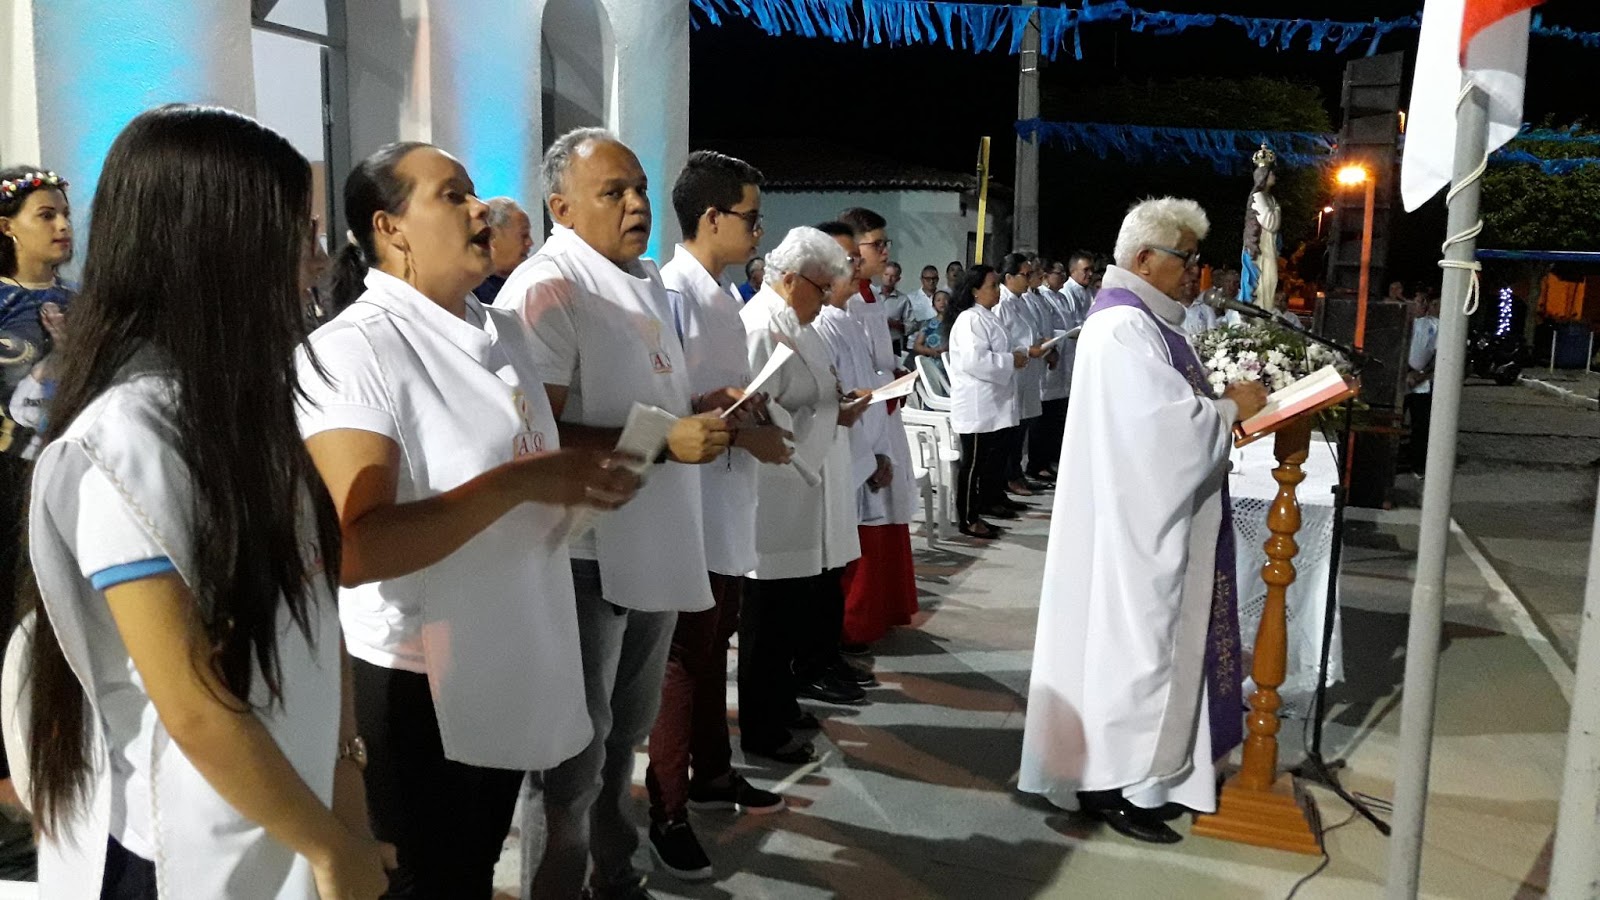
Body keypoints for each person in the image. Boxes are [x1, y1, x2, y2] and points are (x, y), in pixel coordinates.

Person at [15, 104, 393, 899]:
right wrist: (330, 845)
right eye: (295, 234)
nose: (315, 260)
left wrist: (344, 780)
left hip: (287, 821)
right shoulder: (129, 437)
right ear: (219, 246)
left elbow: (312, 610)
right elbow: (189, 702)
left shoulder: (243, 410)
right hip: (184, 857)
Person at [303, 140, 639, 898]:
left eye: (474, 191)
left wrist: (572, 488)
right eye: (451, 195)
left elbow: (520, 476)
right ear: (389, 227)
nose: (480, 209)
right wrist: (520, 484)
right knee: (429, 880)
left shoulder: (503, 331)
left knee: (475, 865)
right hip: (420, 679)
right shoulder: (356, 350)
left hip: (515, 644)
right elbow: (356, 546)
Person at [498, 127, 734, 900]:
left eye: (640, 188)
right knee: (573, 753)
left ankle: (617, 875)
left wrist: (699, 406)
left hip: (650, 537)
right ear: (561, 208)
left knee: (624, 733)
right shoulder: (548, 288)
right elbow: (532, 434)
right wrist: (666, 437)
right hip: (581, 550)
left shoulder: (640, 280)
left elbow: (644, 397)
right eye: (614, 192)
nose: (638, 204)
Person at [1019, 197, 1268, 844]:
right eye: (1187, 258)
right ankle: (1115, 785)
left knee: (1140, 652)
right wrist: (1229, 410)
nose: (1194, 272)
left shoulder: (1144, 321)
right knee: (1134, 653)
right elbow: (1162, 435)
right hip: (1131, 532)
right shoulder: (1122, 327)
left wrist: (1221, 408)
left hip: (1139, 520)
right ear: (1145, 259)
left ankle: (1140, 779)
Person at [650, 150, 792, 882]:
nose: (758, 231)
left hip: (726, 496)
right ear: (711, 218)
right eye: (751, 218)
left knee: (712, 651)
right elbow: (660, 409)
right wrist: (736, 426)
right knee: (682, 660)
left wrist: (746, 408)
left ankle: (710, 774)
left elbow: (712, 394)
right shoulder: (670, 294)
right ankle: (666, 807)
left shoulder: (723, 292)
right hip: (688, 504)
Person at [738, 226, 867, 765]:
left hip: (801, 481)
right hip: (771, 488)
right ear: (790, 280)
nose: (827, 297)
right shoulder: (760, 325)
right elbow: (752, 409)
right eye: (821, 286)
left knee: (791, 608)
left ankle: (783, 702)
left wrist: (839, 404)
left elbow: (814, 391)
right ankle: (761, 727)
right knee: (766, 615)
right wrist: (825, 409)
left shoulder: (799, 324)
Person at [0, 165, 74, 766]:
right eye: (46, 215)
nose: (62, 226)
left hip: (71, 475)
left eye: (64, 214)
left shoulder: (83, 303)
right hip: (8, 482)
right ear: (8, 228)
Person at [836, 208, 921, 659]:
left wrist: (894, 375)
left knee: (888, 512)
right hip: (864, 418)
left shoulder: (869, 296)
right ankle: (855, 621)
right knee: (864, 520)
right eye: (877, 245)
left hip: (882, 415)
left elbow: (875, 360)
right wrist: (884, 383)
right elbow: (853, 373)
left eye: (886, 244)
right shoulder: (846, 303)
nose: (885, 253)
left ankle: (882, 609)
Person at [944, 266, 1025, 540]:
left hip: (991, 401)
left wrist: (1015, 356)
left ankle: (984, 506)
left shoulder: (987, 316)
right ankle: (967, 519)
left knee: (986, 462)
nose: (997, 290)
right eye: (992, 285)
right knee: (973, 464)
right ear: (975, 291)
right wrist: (1011, 360)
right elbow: (975, 361)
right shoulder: (970, 320)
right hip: (977, 404)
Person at [994, 253, 1049, 503]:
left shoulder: (1022, 300)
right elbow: (1001, 342)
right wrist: (1028, 350)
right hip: (1013, 372)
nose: (1028, 279)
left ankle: (1017, 473)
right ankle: (1009, 476)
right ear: (1009, 277)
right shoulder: (1001, 304)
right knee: (1012, 429)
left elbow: (1028, 331)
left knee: (1023, 424)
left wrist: (1041, 343)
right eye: (1025, 275)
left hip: (1028, 370)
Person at [1033, 260, 1083, 481]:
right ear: (1046, 275)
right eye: (1058, 273)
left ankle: (1051, 458)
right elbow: (1045, 329)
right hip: (1048, 356)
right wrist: (1061, 337)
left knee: (1056, 414)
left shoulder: (1061, 297)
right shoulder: (1042, 297)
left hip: (1063, 356)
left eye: (1063, 273)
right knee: (1044, 416)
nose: (1062, 277)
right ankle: (1038, 463)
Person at [472, 196, 535, 304]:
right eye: (524, 235)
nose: (530, 243)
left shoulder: (530, 284)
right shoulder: (468, 294)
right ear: (492, 237)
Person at [1240, 145, 1280, 311]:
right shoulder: (1258, 196)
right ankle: (1260, 315)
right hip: (1261, 248)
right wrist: (1277, 211)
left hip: (1269, 247)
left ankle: (1265, 313)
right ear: (1264, 175)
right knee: (1264, 282)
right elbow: (1270, 223)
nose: (1274, 176)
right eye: (1271, 173)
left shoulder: (1270, 198)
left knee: (1270, 282)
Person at [1406, 289, 1440, 478]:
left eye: (1425, 301)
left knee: (1420, 426)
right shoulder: (1402, 322)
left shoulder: (1435, 325)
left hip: (1421, 382)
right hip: (1401, 381)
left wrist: (1421, 374)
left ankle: (1417, 465)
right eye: (1419, 301)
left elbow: (1437, 354)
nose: (1424, 305)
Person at [909, 289, 950, 376]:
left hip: (951, 364)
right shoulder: (928, 324)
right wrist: (932, 352)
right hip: (931, 364)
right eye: (938, 300)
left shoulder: (957, 322)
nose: (942, 302)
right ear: (933, 305)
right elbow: (917, 346)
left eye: (945, 300)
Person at [878, 261, 910, 353]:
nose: (889, 278)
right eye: (886, 274)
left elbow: (910, 326)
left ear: (898, 279)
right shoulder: (871, 294)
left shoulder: (903, 299)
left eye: (893, 276)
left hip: (893, 344)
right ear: (881, 275)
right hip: (872, 342)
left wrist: (894, 324)